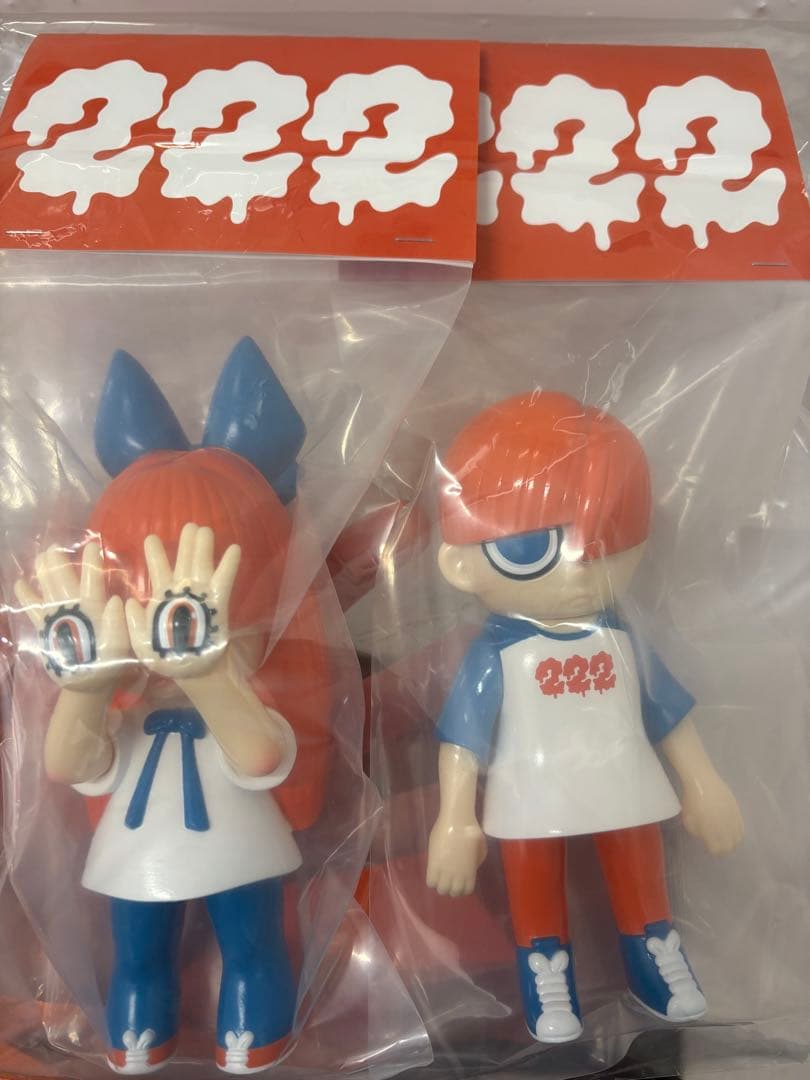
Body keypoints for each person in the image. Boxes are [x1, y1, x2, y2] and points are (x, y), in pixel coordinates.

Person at [15, 340, 329, 1074]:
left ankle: (253, 1028)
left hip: (240, 839)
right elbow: (66, 764)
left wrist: (210, 673)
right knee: (138, 950)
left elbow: (261, 754)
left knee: (252, 943)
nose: (166, 641)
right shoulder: (124, 711)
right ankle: (140, 1029)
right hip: (138, 847)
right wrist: (86, 687)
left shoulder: (246, 690)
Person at [426, 390, 743, 1044]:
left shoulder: (623, 637)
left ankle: (656, 951)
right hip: (529, 792)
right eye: (534, 548)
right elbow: (463, 739)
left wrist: (705, 783)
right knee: (533, 884)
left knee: (641, 875)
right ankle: (545, 968)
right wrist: (454, 817)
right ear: (458, 563)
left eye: (604, 543)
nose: (577, 573)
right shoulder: (495, 653)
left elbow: (667, 713)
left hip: (623, 781)